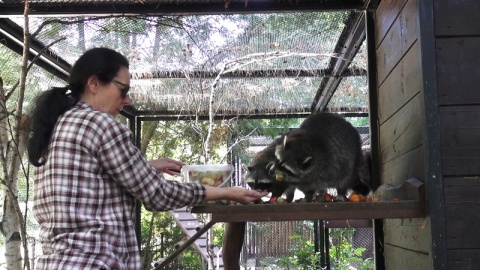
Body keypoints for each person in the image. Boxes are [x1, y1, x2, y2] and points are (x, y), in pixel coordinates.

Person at [27, 47, 267, 270]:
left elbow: (86, 176)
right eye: (123, 90)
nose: (127, 99)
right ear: (94, 83)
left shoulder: (57, 123)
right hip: (93, 259)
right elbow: (157, 194)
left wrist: (146, 165)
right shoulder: (100, 124)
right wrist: (225, 192)